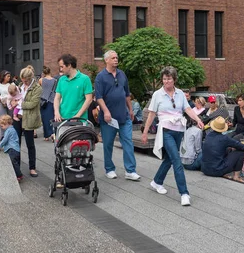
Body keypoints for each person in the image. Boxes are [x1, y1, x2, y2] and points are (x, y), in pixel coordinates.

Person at [141, 66, 204, 207]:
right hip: (166, 130)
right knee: (176, 160)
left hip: (179, 129)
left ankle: (157, 181)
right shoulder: (157, 94)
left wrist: (198, 119)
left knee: (169, 159)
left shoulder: (180, 93)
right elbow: (151, 113)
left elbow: (187, 109)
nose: (166, 81)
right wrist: (145, 132)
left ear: (174, 79)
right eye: (164, 79)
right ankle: (184, 193)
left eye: (169, 78)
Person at [95, 50, 140, 181]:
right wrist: (106, 111)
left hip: (124, 116)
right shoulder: (100, 77)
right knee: (108, 144)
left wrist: (130, 109)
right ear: (106, 60)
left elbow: (127, 94)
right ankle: (109, 169)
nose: (116, 59)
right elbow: (99, 97)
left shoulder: (122, 74)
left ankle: (130, 170)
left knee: (128, 142)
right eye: (113, 58)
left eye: (117, 57)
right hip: (109, 119)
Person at [201, 117, 244, 183]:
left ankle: (224, 173)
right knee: (239, 153)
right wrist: (236, 146)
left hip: (205, 169)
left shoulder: (208, 135)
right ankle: (236, 176)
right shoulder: (224, 138)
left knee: (224, 149)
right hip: (217, 170)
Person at [15, 66, 42, 177]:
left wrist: (19, 104)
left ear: (30, 78)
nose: (23, 81)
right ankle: (16, 167)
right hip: (18, 118)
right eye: (22, 79)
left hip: (29, 118)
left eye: (25, 80)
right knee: (16, 143)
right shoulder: (20, 86)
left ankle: (32, 168)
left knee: (30, 144)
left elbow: (32, 104)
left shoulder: (37, 88)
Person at [54, 54, 93, 122]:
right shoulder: (61, 80)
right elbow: (57, 98)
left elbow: (89, 100)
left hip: (80, 121)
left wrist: (77, 116)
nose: (60, 69)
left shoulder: (85, 79)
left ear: (69, 65)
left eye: (62, 67)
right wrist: (56, 112)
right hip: (63, 119)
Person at [0, 114, 23, 182]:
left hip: (12, 149)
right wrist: (1, 143)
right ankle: (17, 175)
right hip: (15, 149)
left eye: (2, 126)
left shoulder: (9, 130)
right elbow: (8, 139)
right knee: (14, 162)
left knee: (13, 162)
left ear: (7, 123)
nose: (2, 128)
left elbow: (5, 140)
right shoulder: (11, 129)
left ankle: (19, 175)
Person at [39, 66, 57, 141]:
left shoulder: (41, 80)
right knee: (52, 118)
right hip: (52, 101)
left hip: (43, 101)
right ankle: (53, 133)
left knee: (44, 118)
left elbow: (40, 89)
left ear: (43, 73)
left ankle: (47, 135)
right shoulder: (55, 80)